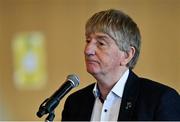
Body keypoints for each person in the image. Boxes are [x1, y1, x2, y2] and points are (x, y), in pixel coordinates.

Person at [61, 9, 180, 121]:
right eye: (88, 41)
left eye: (101, 43)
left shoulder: (160, 100)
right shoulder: (74, 103)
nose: (88, 50)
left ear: (127, 55)